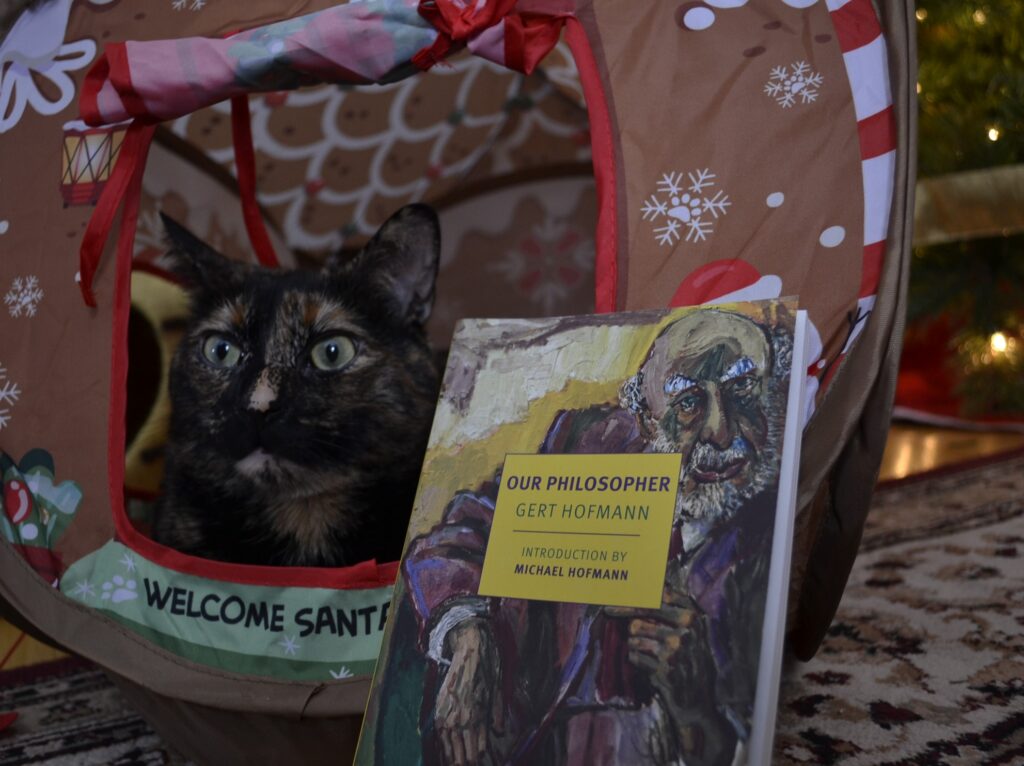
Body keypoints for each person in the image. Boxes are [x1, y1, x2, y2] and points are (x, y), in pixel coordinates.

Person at [403, 308, 792, 765]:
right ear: (646, 421)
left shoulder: (777, 526)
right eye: (688, 402)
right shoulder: (587, 440)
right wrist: (467, 632)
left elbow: (751, 737)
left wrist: (697, 708)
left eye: (742, 389)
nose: (720, 431)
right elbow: (460, 533)